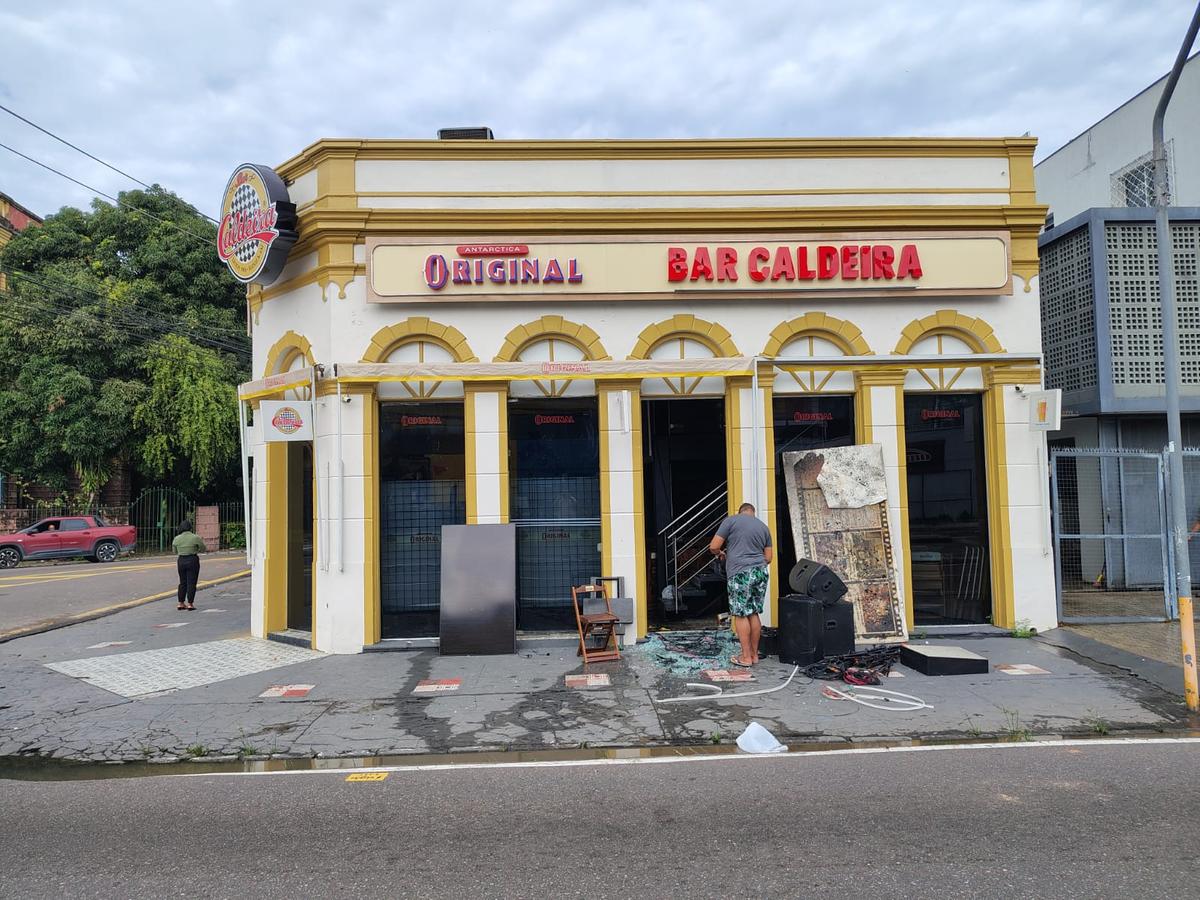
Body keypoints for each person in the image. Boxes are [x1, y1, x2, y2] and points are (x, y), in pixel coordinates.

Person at [709, 502, 773, 667]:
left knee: (740, 613)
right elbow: (768, 558)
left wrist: (721, 553)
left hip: (740, 573)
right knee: (753, 612)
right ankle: (754, 655)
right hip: (760, 572)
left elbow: (714, 546)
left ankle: (745, 657)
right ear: (753, 512)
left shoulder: (731, 521)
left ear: (740, 512)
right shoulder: (763, 527)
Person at [172, 519, 207, 611]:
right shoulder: (195, 537)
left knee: (182, 582)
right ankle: (190, 604)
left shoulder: (176, 538)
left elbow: (174, 551)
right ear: (190, 527)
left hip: (181, 560)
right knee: (191, 582)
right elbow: (203, 548)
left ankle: (180, 603)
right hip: (192, 560)